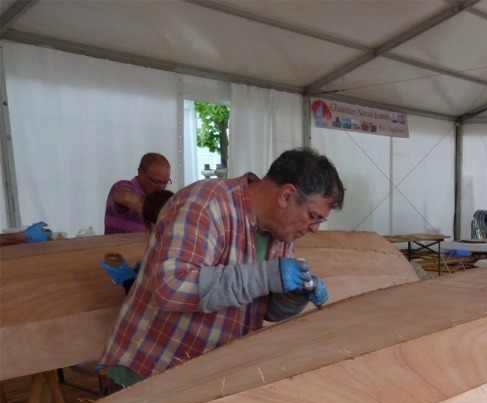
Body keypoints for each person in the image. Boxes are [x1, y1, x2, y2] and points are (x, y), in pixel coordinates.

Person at [99, 148, 344, 389]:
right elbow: (170, 287)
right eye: (314, 216)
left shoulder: (281, 235)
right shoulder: (206, 205)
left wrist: (292, 295)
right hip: (148, 372)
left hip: (203, 377)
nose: (315, 228)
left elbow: (262, 309)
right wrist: (265, 275)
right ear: (287, 195)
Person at [100, 189, 174, 292]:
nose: (160, 185)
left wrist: (128, 281)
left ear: (151, 225)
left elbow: (151, 300)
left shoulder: (166, 256)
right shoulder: (187, 244)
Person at [104, 152, 171, 234]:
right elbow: (124, 197)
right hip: (119, 246)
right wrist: (156, 209)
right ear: (141, 173)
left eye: (165, 182)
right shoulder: (124, 185)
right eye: (156, 181)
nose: (161, 187)